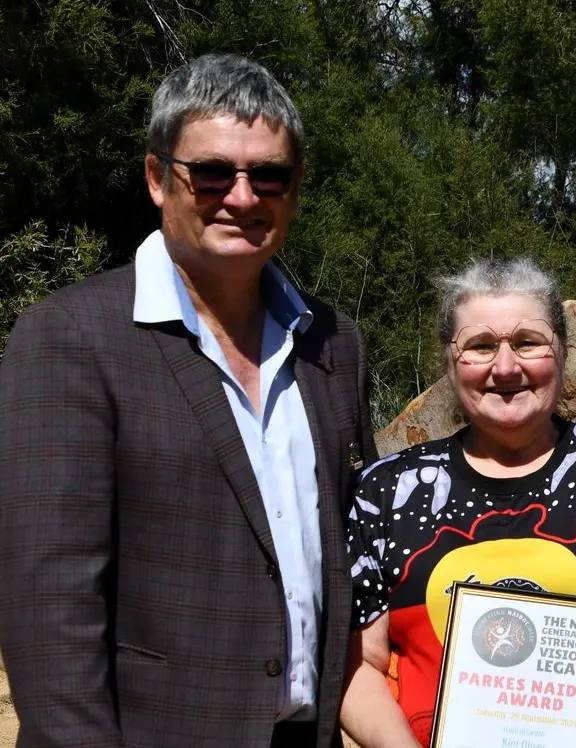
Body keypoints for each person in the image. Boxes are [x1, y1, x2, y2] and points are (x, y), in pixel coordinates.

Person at [0, 54, 376, 747]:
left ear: (293, 190)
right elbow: (49, 611)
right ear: (156, 178)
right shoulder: (71, 338)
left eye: (269, 175)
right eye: (211, 174)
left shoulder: (333, 344)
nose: (241, 197)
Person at [339, 258, 576, 748]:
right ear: (449, 362)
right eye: (480, 346)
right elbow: (357, 658)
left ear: (562, 351)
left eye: (527, 343)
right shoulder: (388, 490)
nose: (505, 367)